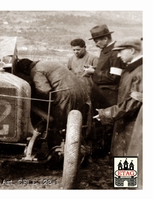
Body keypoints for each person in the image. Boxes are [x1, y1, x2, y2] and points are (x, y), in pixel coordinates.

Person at [93, 37, 142, 188]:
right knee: (124, 155)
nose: (118, 56)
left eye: (120, 52)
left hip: (133, 124)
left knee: (129, 155)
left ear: (132, 50)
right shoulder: (133, 69)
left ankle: (126, 188)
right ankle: (123, 186)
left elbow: (134, 102)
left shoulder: (141, 71)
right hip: (125, 121)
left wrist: (107, 114)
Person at [16, 59, 90, 147]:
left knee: (60, 124)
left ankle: (58, 149)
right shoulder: (48, 62)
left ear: (25, 70)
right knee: (76, 122)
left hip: (66, 94)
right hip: (81, 90)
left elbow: (44, 90)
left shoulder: (35, 70)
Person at [87, 24, 125, 108]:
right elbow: (107, 68)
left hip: (109, 97)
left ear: (105, 39)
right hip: (101, 95)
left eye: (96, 41)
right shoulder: (105, 50)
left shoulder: (114, 52)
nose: (96, 44)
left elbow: (114, 76)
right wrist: (95, 69)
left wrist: (94, 72)